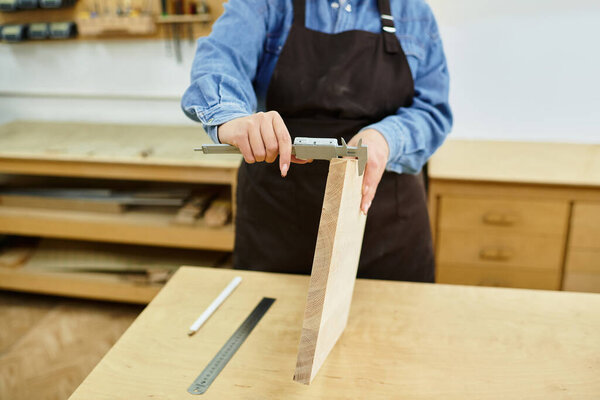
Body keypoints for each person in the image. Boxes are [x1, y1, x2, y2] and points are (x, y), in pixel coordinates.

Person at [182, 0, 452, 282]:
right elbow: (220, 62)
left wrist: (385, 138)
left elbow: (433, 110)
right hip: (277, 223)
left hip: (387, 227)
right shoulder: (266, 5)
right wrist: (231, 117)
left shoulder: (414, 14)